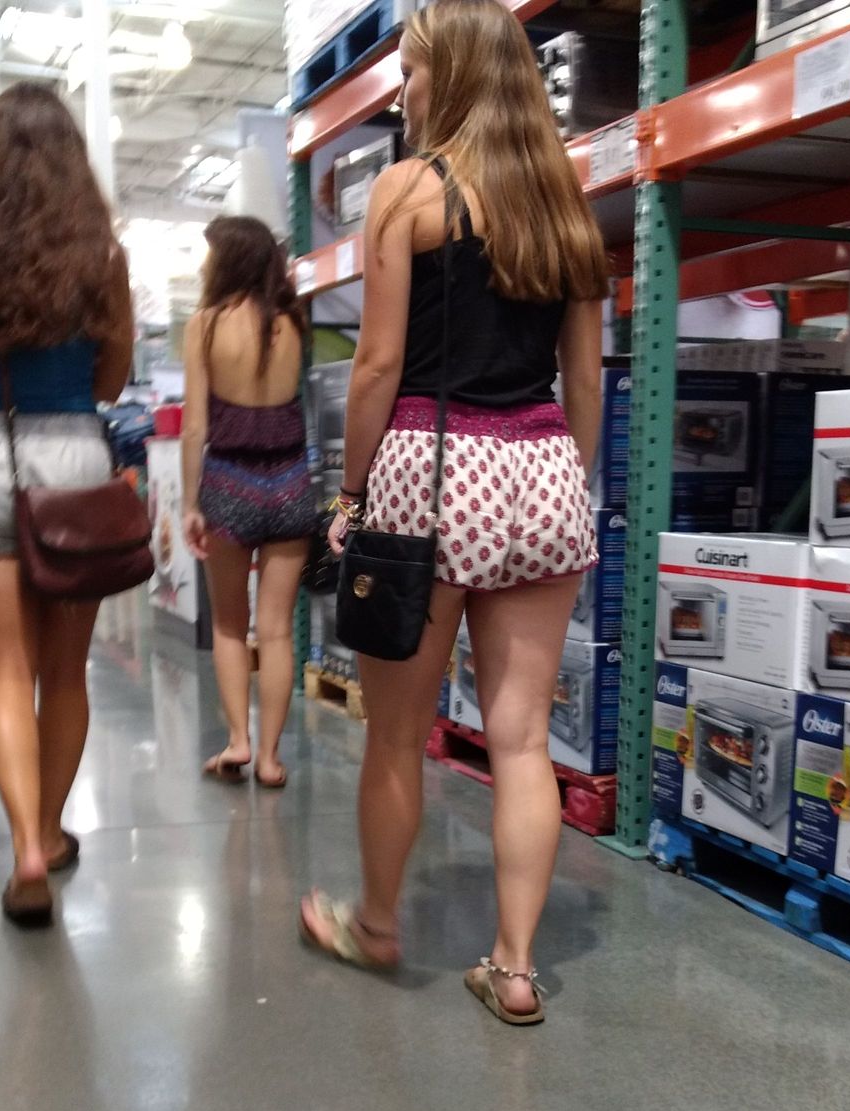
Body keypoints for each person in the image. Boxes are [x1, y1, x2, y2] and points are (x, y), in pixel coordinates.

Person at [298, 0, 608, 1026]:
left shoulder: (408, 191)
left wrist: (351, 493)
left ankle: (377, 924)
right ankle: (514, 968)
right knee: (521, 741)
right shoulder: (566, 206)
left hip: (429, 475)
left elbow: (375, 368)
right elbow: (584, 380)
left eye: (414, 71)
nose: (403, 92)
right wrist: (563, 480)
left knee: (396, 734)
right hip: (543, 470)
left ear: (457, 75)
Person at [0, 82, 133, 928]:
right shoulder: (102, 255)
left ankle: (26, 855)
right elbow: (112, 380)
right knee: (64, 673)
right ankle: (50, 826)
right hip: (73, 460)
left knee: (3, 670)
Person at [180, 216, 313, 790]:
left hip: (228, 482)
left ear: (229, 259)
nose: (205, 264)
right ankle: (271, 759)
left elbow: (194, 427)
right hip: (290, 482)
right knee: (277, 630)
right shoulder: (293, 322)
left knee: (231, 626)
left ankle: (238, 740)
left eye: (211, 254)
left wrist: (190, 503)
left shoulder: (205, 325)